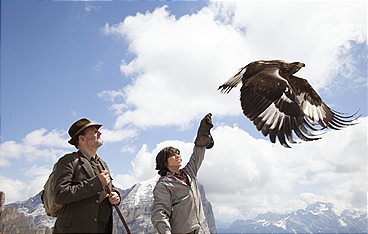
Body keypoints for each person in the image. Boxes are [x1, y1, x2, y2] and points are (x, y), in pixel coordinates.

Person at [52, 118, 120, 233]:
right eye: (94, 131)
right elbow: (61, 194)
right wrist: (97, 183)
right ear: (82, 138)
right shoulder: (68, 161)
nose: (99, 133)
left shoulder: (102, 164)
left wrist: (116, 196)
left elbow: (109, 187)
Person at [151, 113, 214, 234]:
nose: (177, 156)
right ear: (164, 162)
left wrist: (202, 134)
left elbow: (197, 155)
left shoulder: (189, 173)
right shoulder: (163, 185)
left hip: (200, 229)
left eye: (178, 153)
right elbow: (160, 212)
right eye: (172, 155)